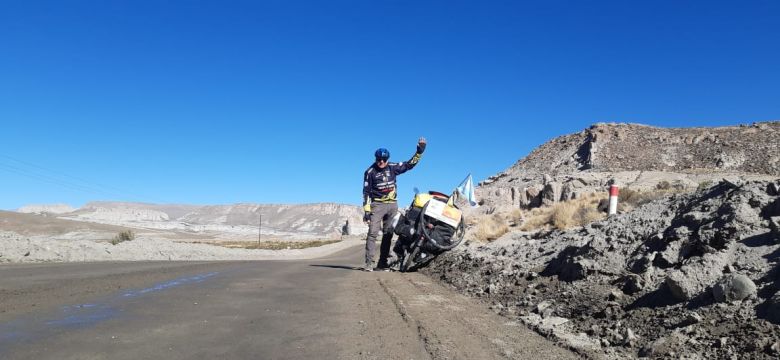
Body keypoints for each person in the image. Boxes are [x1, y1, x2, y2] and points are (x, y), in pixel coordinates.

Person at [362, 137, 426, 271]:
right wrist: (367, 211)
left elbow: (409, 165)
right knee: (372, 233)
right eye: (379, 159)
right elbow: (366, 192)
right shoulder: (369, 172)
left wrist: (419, 152)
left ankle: (382, 263)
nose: (381, 162)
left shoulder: (392, 167)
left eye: (384, 160)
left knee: (388, 234)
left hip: (392, 205)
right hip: (377, 206)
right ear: (375, 158)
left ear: (387, 159)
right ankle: (369, 263)